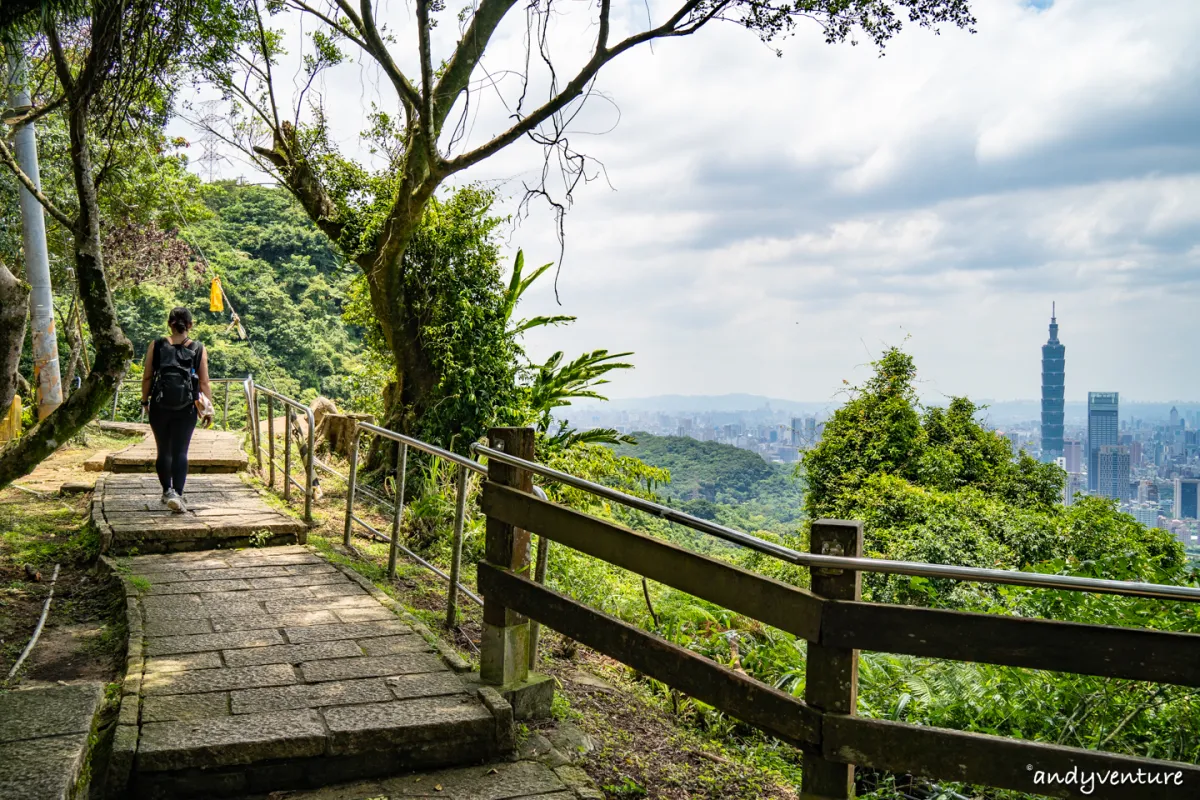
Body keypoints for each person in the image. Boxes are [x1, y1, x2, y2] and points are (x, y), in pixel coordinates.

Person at [140, 307, 213, 513]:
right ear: (190, 325)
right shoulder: (198, 348)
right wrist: (207, 409)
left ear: (169, 323)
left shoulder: (157, 345)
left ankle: (167, 492)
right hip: (187, 407)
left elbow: (147, 377)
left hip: (159, 405)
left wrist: (145, 401)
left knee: (164, 450)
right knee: (181, 451)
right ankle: (179, 494)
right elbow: (204, 382)